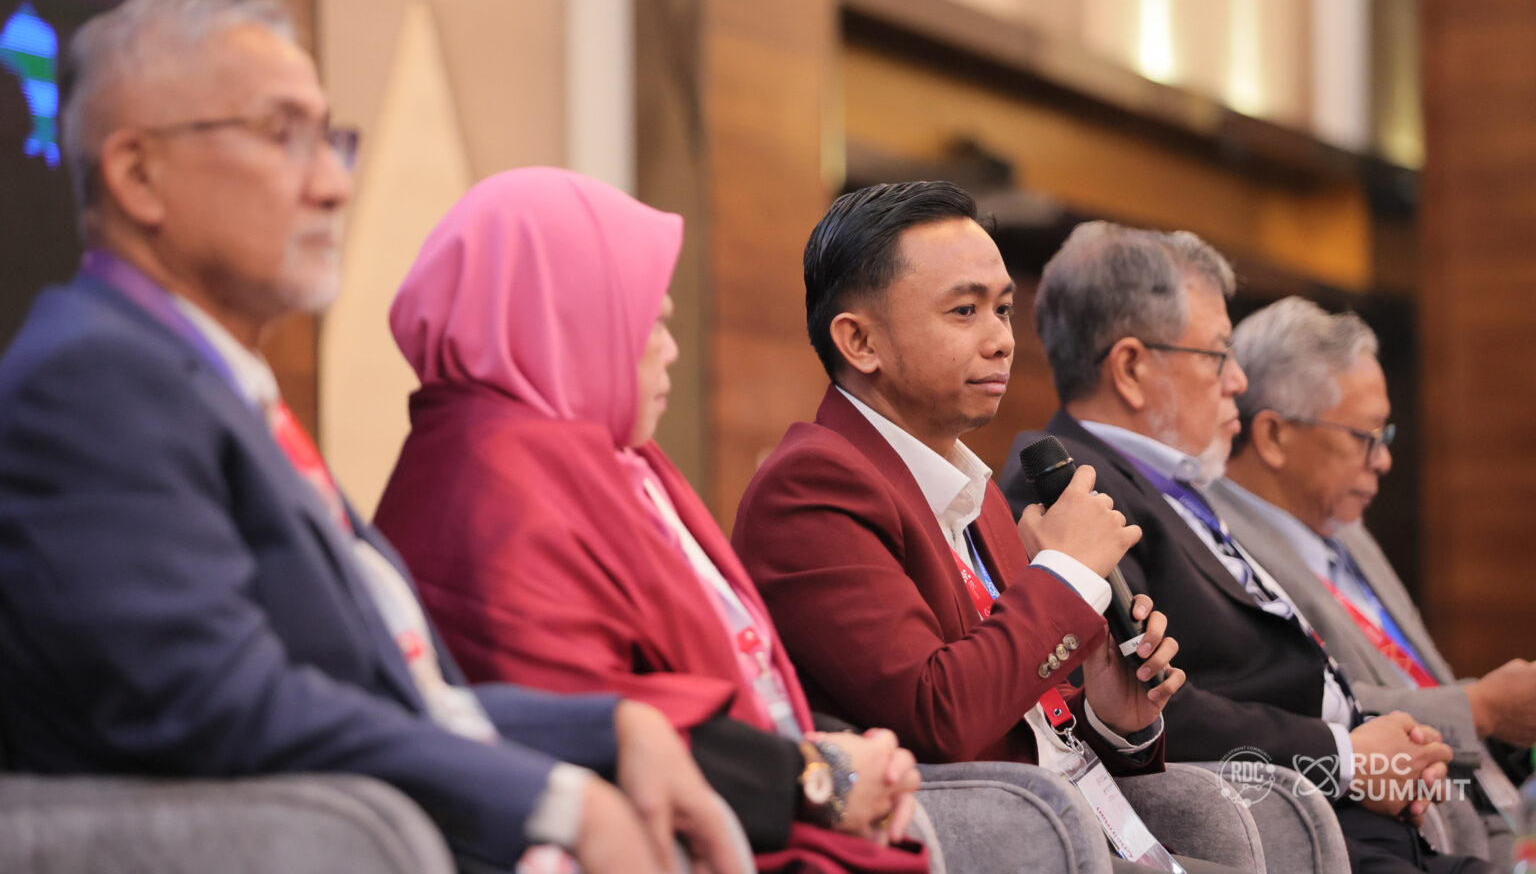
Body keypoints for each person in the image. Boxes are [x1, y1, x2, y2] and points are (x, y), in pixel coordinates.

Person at [0, 0, 745, 874]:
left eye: (330, 139)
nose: (332, 184)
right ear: (137, 175)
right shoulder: (95, 377)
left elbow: (408, 701)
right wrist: (554, 798)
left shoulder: (218, 387)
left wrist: (617, 727)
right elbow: (217, 704)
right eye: (280, 134)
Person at [372, 165, 928, 873]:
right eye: (650, 321)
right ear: (567, 320)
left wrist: (842, 760)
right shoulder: (491, 484)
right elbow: (589, 722)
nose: (670, 348)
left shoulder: (604, 456)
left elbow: (743, 675)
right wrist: (823, 774)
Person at [730, 182, 1245, 874]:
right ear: (860, 341)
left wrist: (1111, 716)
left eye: (1003, 309)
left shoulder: (979, 494)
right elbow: (938, 718)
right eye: (964, 311)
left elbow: (1034, 732)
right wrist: (1066, 574)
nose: (1002, 340)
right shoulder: (811, 488)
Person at [999, 220, 1489, 874]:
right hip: (1289, 827)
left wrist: (1383, 745)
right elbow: (1156, 702)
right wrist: (1346, 758)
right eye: (1218, 355)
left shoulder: (1176, 485)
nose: (1237, 381)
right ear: (1133, 368)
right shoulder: (1074, 495)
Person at [1209, 295, 1536, 865]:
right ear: (1274, 436)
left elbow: (1410, 672)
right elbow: (1303, 708)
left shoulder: (1348, 528)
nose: (1383, 461)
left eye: (1386, 436)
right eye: (1366, 437)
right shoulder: (1221, 546)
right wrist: (1478, 707)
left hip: (1489, 806)